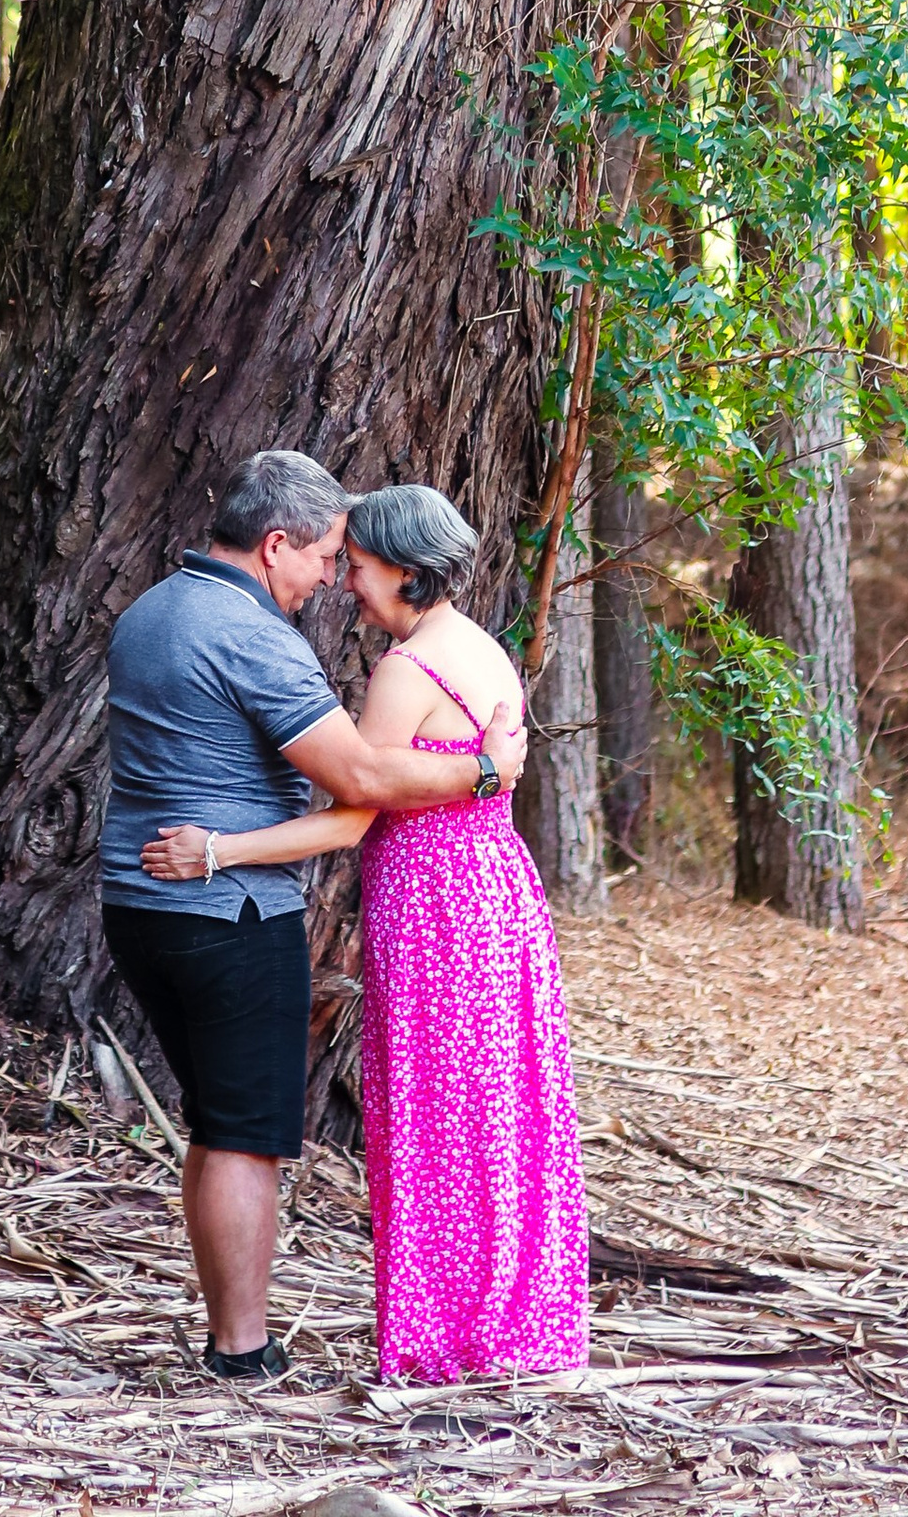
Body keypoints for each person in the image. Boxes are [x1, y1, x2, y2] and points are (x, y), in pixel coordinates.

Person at [139, 480, 590, 1386]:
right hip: (494, 895)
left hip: (432, 909)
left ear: (407, 570)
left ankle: (445, 1340)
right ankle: (509, 1326)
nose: (347, 582)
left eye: (360, 565)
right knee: (495, 1110)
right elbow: (454, 777)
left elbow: (352, 816)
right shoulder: (485, 651)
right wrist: (483, 777)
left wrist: (219, 850)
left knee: (434, 1112)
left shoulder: (405, 669)